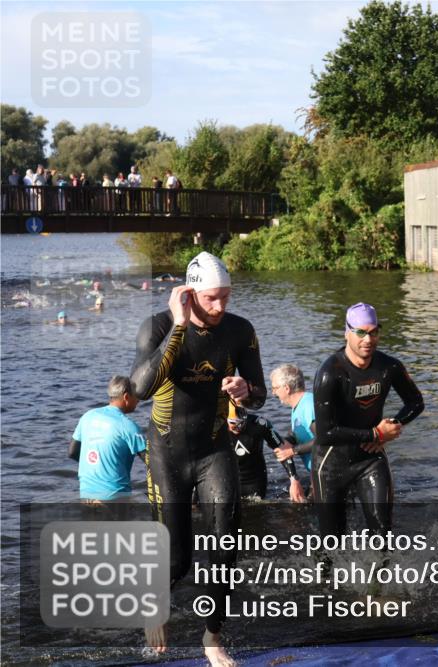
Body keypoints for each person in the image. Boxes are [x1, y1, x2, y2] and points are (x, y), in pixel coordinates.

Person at [130, 251, 265, 667]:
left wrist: (246, 390)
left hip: (213, 449)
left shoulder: (240, 330)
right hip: (167, 454)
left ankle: (212, 636)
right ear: (189, 294)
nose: (220, 306)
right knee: (177, 559)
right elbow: (140, 389)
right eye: (211, 298)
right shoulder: (158, 326)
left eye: (226, 296)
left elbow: (260, 393)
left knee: (227, 544)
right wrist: (179, 325)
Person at [311, 303, 425, 538]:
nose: (368, 339)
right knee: (331, 543)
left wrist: (393, 425)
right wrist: (375, 434)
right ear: (347, 333)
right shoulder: (330, 372)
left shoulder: (389, 366)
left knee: (382, 536)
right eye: (361, 332)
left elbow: (416, 402)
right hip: (331, 463)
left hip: (370, 458)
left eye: (373, 332)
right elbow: (325, 432)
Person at [69, 376, 147, 501]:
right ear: (126, 397)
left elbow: (72, 452)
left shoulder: (87, 417)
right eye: (136, 396)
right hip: (115, 496)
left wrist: (99, 465)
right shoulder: (128, 426)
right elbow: (153, 462)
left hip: (86, 495)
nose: (138, 400)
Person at [227, 403, 306, 502]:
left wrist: (294, 480)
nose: (237, 429)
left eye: (240, 425)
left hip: (254, 480)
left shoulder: (260, 424)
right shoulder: (216, 427)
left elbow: (282, 450)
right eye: (233, 426)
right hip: (226, 479)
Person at [270, 363, 315, 474]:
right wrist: (287, 442)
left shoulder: (308, 405)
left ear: (287, 388)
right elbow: (297, 431)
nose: (273, 393)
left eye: (275, 388)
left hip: (330, 471)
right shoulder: (298, 406)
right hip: (316, 471)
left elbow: (323, 439)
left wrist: (292, 451)